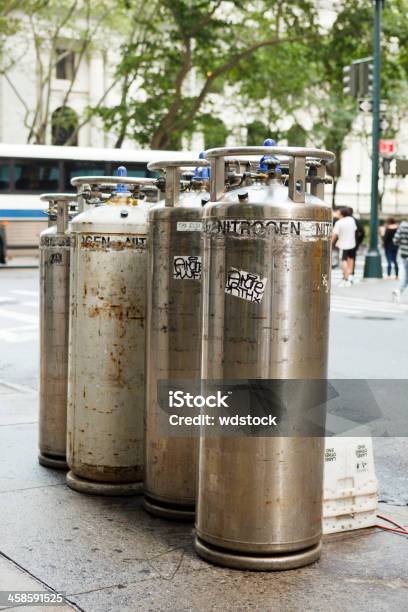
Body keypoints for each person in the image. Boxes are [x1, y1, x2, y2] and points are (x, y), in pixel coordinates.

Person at [332, 207, 357, 286]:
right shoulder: (351, 220)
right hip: (352, 243)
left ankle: (346, 278)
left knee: (343, 261)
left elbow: (334, 235)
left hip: (343, 244)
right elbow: (354, 230)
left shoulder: (339, 222)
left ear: (342, 214)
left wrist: (331, 243)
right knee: (351, 259)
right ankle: (350, 276)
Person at [392, 218, 408, 302]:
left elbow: (395, 240)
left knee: (406, 276)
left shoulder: (402, 227)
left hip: (405, 254)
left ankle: (398, 291)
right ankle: (398, 290)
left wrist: (402, 244)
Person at [348, 207, 365, 274]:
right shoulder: (356, 220)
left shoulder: (344, 220)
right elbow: (362, 232)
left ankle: (347, 274)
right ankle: (351, 273)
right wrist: (358, 242)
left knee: (345, 259)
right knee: (352, 258)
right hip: (354, 242)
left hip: (345, 242)